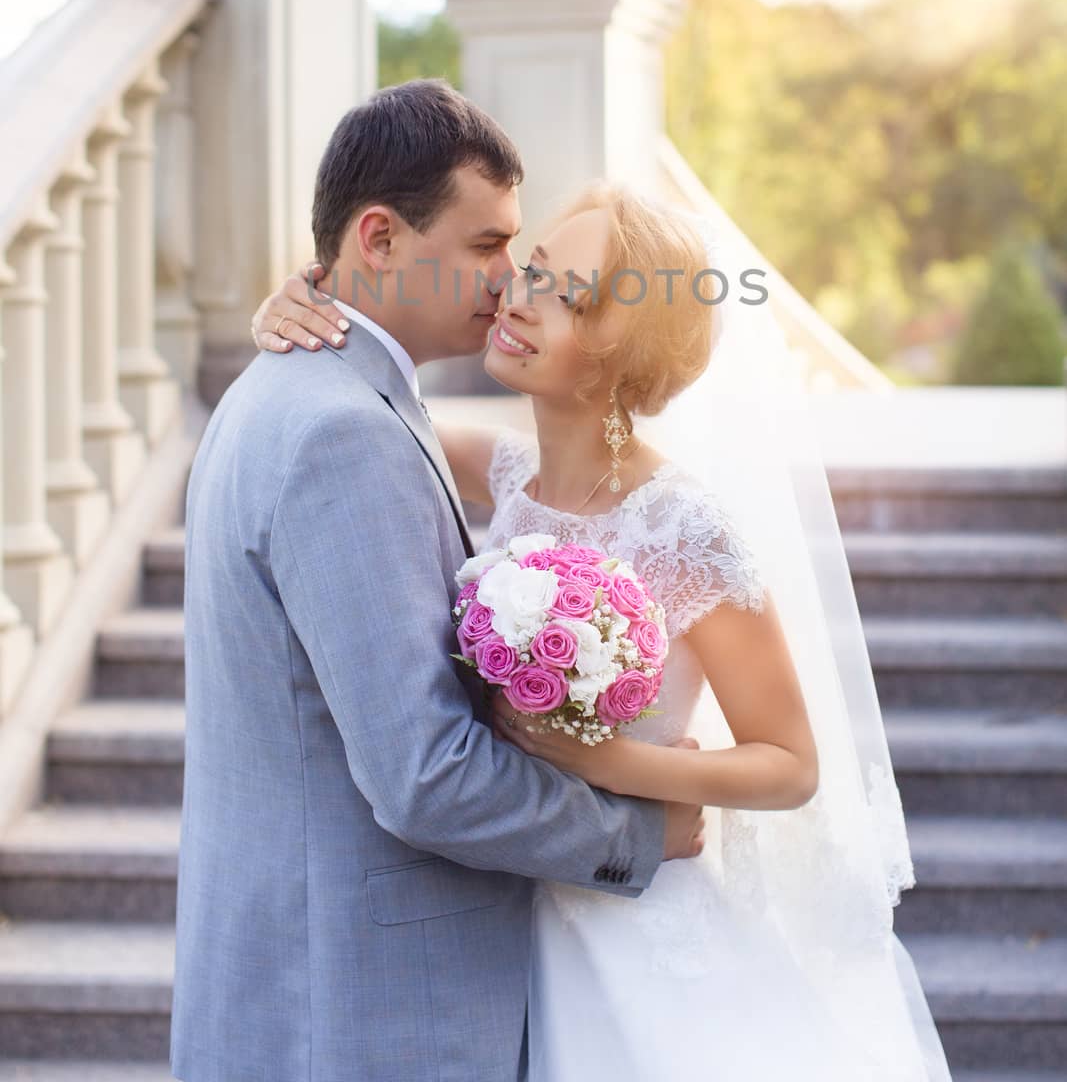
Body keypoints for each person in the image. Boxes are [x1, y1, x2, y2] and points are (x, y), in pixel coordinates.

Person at [255, 169, 953, 1081]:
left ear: (628, 352)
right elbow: (369, 404)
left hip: (642, 938)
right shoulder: (493, 469)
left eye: (567, 296)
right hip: (505, 918)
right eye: (532, 268)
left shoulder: (684, 529)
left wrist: (608, 763)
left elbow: (790, 766)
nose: (519, 298)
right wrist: (298, 302)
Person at [170, 80, 707, 1082]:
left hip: (308, 987)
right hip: (364, 1009)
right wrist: (632, 833)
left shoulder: (295, 388)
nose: (507, 281)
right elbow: (424, 777)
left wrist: (309, 283)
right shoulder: (341, 432)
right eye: (483, 246)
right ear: (377, 238)